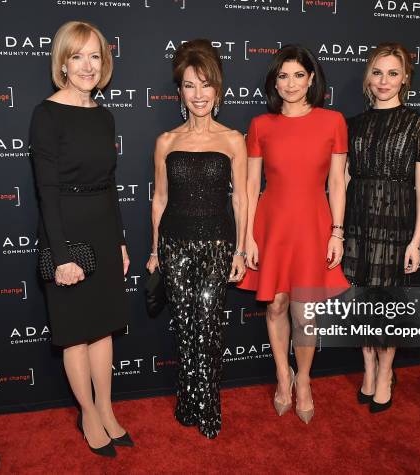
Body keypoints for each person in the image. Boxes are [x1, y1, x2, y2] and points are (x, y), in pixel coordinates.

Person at [29, 21, 132, 457]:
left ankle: (107, 409)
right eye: (78, 56)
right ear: (63, 64)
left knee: (104, 326)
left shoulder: (104, 115)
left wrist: (121, 242)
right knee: (75, 331)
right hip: (65, 230)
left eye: (95, 56)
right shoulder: (46, 114)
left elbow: (109, 184)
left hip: (103, 230)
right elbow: (46, 190)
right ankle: (88, 412)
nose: (88, 65)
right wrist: (61, 254)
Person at [238, 45, 350, 424]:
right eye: (282, 76)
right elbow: (252, 186)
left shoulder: (333, 121)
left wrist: (337, 232)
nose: (290, 83)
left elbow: (337, 182)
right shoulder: (260, 125)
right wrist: (249, 238)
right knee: (276, 305)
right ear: (274, 81)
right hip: (272, 224)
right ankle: (281, 375)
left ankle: (304, 379)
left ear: (312, 79)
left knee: (306, 311)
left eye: (298, 75)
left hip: (313, 224)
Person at [146, 39, 247, 439]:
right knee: (186, 328)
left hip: (218, 246)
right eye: (190, 85)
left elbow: (240, 198)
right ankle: (188, 401)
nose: (199, 94)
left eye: (206, 85)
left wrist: (242, 247)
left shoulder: (232, 139)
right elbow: (159, 199)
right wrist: (155, 251)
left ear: (217, 90)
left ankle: (206, 407)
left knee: (208, 326)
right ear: (180, 92)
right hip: (175, 245)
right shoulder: (166, 142)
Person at [343, 42, 420, 413]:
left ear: (405, 79)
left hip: (397, 226)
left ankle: (386, 371)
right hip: (359, 225)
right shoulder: (352, 126)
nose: (384, 81)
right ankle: (368, 367)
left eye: (393, 73)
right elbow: (345, 179)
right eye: (378, 72)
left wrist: (416, 241)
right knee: (361, 300)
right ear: (369, 77)